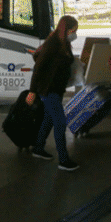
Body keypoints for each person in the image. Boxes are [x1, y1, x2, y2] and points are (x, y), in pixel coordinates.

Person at [25, 15, 80, 171]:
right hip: (48, 89)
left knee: (49, 119)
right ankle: (63, 159)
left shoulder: (64, 43)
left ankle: (38, 148)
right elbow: (38, 68)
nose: (74, 34)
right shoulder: (53, 44)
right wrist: (32, 91)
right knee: (60, 122)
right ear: (65, 29)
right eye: (73, 30)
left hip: (57, 88)